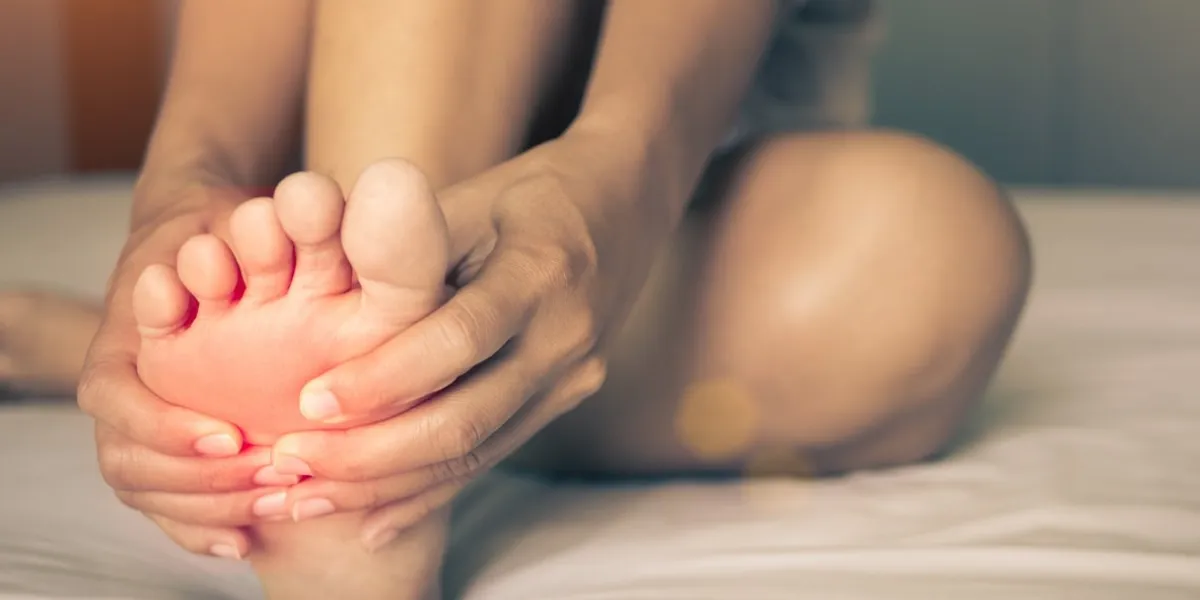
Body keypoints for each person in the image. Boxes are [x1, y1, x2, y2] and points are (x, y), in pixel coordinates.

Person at [0, 0, 1032, 598]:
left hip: (658, 200)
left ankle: (342, 391)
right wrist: (185, 182)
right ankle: (360, 507)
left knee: (934, 253)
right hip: (361, 166)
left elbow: (643, 144)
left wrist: (607, 193)